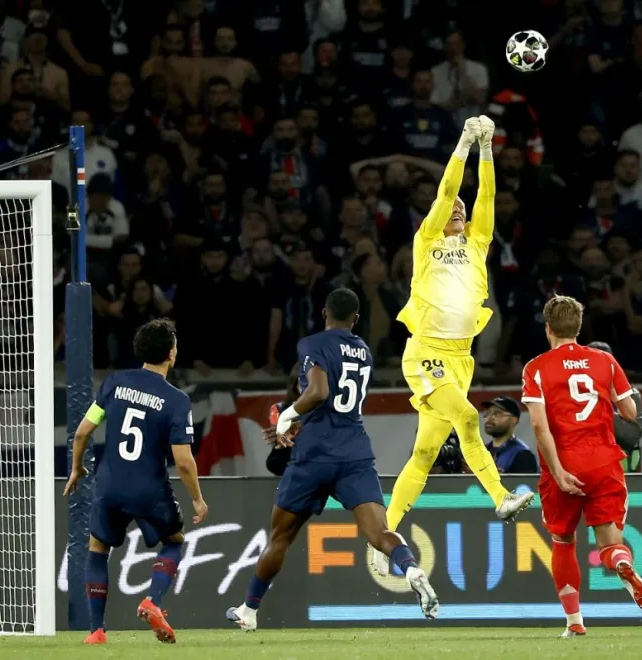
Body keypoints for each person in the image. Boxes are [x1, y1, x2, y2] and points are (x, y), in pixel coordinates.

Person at [372, 115, 534, 574]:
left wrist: (487, 149)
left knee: (424, 454)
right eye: (452, 209)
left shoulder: (478, 242)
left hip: (459, 360)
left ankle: (384, 533)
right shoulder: (426, 241)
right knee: (467, 417)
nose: (458, 211)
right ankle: (501, 497)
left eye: (463, 210)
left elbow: (485, 195)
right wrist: (463, 143)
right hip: (425, 353)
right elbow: (447, 192)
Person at [225, 289, 439, 631]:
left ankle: (249, 611)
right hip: (355, 452)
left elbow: (320, 392)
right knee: (379, 532)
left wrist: (287, 416)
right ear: (356, 319)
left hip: (315, 455)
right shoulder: (364, 351)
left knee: (280, 537)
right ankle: (411, 567)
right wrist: (297, 418)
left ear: (324, 312)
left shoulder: (312, 344)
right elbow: (336, 398)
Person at [64, 319, 208, 645]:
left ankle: (96, 632)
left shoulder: (115, 383)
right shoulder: (176, 401)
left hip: (109, 485)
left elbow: (84, 431)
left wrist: (76, 468)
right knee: (174, 541)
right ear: (172, 353)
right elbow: (184, 462)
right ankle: (152, 601)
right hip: (149, 488)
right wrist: (197, 499)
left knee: (98, 549)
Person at [521, 295, 642, 637]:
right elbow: (630, 413)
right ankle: (622, 563)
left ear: (548, 328)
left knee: (563, 542)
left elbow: (538, 425)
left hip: (563, 462)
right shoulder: (604, 361)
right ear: (578, 328)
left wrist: (559, 471)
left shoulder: (536, 367)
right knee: (610, 544)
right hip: (604, 461)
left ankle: (574, 622)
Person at [588, 341, 642, 472]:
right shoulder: (574, 394)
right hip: (586, 470)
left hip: (623, 474)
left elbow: (632, 437)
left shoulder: (630, 395)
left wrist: (598, 409)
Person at [481, 396, 539, 474]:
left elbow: (526, 485)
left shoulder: (523, 455)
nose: (489, 418)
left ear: (514, 420)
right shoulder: (481, 451)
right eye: (487, 413)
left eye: (497, 413)